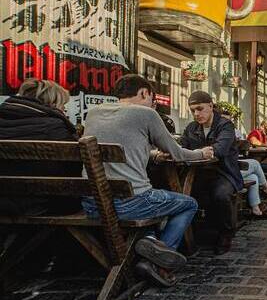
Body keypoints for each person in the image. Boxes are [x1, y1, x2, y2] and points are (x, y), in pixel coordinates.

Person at [82, 74, 213, 287]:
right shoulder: (146, 114)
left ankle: (150, 241)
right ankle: (159, 260)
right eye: (152, 98)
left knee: (152, 202)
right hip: (128, 205)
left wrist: (151, 155)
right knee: (188, 204)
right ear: (144, 92)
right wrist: (202, 153)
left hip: (92, 204)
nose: (153, 104)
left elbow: (120, 148)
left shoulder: (94, 113)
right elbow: (178, 154)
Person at [0, 79, 80, 215]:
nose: (64, 109)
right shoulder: (55, 127)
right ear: (52, 103)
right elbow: (73, 170)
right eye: (63, 105)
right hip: (43, 204)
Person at [181, 91, 244, 254]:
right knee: (181, 193)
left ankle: (226, 233)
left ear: (211, 106)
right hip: (198, 174)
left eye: (200, 109)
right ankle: (189, 234)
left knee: (220, 195)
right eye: (193, 110)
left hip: (223, 173)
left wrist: (193, 152)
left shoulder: (225, 125)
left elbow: (220, 150)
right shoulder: (191, 127)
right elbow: (181, 147)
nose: (196, 114)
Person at [220, 109, 267, 220]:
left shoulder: (232, 132)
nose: (227, 123)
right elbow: (252, 142)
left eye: (229, 121)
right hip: (224, 172)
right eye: (224, 120)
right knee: (254, 163)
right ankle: (266, 187)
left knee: (253, 177)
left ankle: (256, 210)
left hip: (232, 166)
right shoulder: (220, 134)